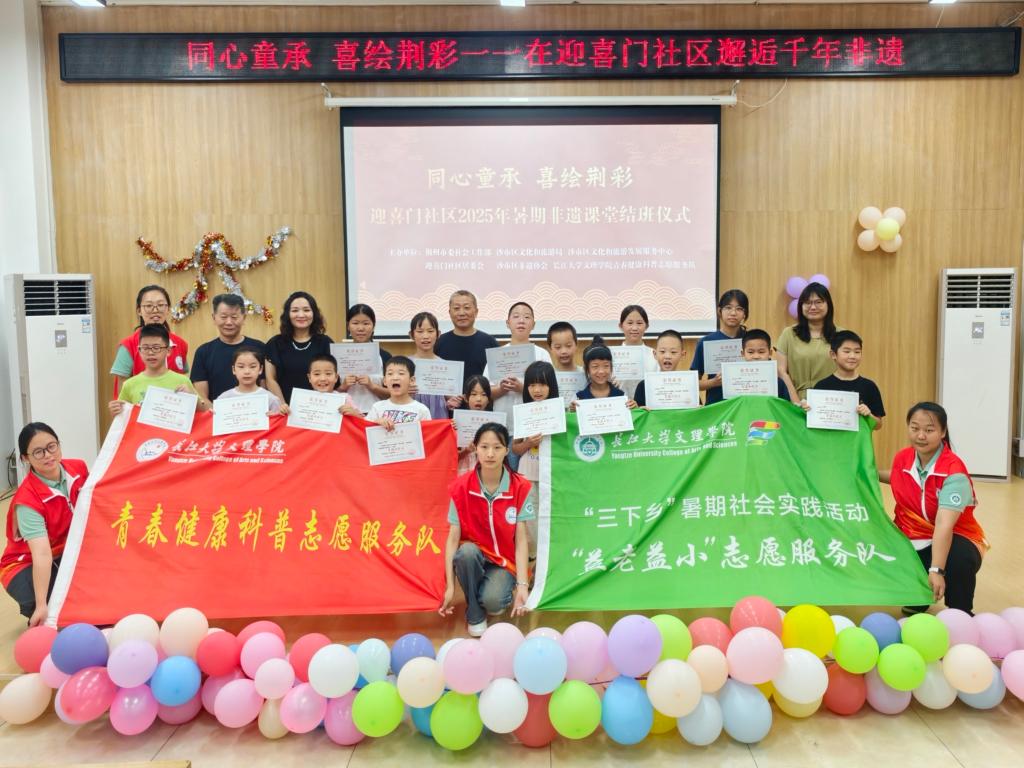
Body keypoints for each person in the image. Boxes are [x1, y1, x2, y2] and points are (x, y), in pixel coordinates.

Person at [879, 402, 987, 615]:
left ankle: (961, 610)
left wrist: (936, 570)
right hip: (913, 533)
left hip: (956, 534)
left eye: (929, 430)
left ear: (943, 432)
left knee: (959, 558)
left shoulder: (954, 472)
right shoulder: (903, 457)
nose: (920, 436)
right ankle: (918, 596)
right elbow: (900, 476)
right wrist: (869, 473)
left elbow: (944, 525)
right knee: (883, 549)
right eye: (915, 428)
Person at [439, 422, 532, 636]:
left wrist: (522, 586)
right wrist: (450, 587)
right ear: (475, 448)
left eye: (497, 447)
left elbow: (521, 541)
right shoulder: (460, 487)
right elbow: (452, 540)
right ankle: (474, 611)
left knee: (493, 602)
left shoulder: (520, 487)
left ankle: (489, 593)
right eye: (484, 447)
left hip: (504, 562)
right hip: (474, 556)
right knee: (466, 553)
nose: (490, 454)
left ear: (506, 450)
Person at [1, 423, 89, 626]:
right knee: (55, 606)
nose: (48, 455)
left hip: (65, 551)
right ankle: (36, 606)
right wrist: (41, 605)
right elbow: (41, 554)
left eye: (51, 446)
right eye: (38, 452)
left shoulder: (78, 468)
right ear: (25, 458)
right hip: (26, 562)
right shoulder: (27, 500)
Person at [511, 361, 559, 559]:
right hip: (527, 473)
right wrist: (528, 443)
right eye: (532, 385)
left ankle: (550, 556)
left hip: (552, 472)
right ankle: (535, 556)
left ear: (551, 386)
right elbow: (515, 448)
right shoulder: (523, 411)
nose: (537, 390)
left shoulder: (559, 410)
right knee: (531, 516)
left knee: (552, 514)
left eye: (542, 384)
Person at [108, 324, 209, 415]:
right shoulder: (129, 384)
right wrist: (115, 410)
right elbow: (122, 417)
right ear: (139, 350)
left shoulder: (182, 381)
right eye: (145, 348)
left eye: (156, 348)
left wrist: (192, 397)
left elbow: (204, 411)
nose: (150, 353)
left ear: (168, 351)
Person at [484, 302, 554, 428]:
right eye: (516, 316)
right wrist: (501, 389)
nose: (521, 321)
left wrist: (523, 388)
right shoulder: (496, 355)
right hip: (503, 424)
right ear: (508, 323)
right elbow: (485, 391)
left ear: (533, 324)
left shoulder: (542, 354)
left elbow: (552, 391)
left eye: (527, 317)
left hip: (534, 423)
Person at [111, 285, 189, 397]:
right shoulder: (128, 345)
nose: (155, 310)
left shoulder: (181, 344)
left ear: (168, 309)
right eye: (149, 306)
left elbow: (183, 381)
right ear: (139, 311)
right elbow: (122, 393)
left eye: (160, 305)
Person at [802, 330, 885, 431]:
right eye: (846, 351)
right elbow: (812, 422)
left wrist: (869, 415)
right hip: (829, 440)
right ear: (833, 354)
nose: (852, 356)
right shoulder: (822, 386)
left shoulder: (869, 386)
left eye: (857, 352)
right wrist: (806, 409)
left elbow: (878, 425)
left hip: (857, 441)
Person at [190, 294, 266, 402]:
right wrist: (217, 412)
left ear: (244, 318)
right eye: (223, 317)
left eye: (234, 317)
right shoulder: (203, 352)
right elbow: (202, 397)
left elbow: (265, 389)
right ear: (214, 318)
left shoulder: (260, 348)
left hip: (254, 410)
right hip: (215, 412)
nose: (229, 322)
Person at [776, 282, 843, 401]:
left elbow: (847, 370)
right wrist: (795, 401)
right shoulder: (788, 334)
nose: (813, 307)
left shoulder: (841, 335)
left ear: (828, 304)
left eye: (818, 302)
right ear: (801, 306)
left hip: (832, 401)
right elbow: (781, 371)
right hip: (796, 400)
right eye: (807, 302)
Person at [265, 291, 334, 405]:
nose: (301, 315)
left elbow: (332, 378)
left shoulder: (325, 342)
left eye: (306, 310)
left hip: (318, 407)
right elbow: (270, 379)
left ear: (314, 313)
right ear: (288, 314)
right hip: (284, 408)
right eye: (295, 310)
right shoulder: (275, 343)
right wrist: (283, 405)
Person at [435, 290, 499, 396]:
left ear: (476, 312)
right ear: (450, 313)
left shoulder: (490, 343)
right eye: (456, 308)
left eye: (467, 307)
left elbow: (497, 381)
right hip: (447, 405)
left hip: (482, 405)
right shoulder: (439, 342)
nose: (461, 313)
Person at [692, 289, 748, 405]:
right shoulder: (706, 342)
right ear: (719, 311)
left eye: (739, 309)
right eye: (728, 308)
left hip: (745, 404)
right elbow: (693, 383)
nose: (733, 313)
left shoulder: (751, 340)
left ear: (745, 313)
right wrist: (714, 382)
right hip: (716, 406)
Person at [338, 304, 391, 415]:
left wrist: (372, 386)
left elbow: (393, 393)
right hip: (345, 414)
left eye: (366, 323)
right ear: (348, 326)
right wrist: (343, 387)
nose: (361, 328)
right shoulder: (338, 355)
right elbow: (327, 391)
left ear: (373, 326)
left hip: (377, 415)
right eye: (355, 323)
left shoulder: (384, 356)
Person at [365, 356, 432, 429]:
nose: (395, 378)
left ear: (412, 380)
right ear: (384, 381)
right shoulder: (377, 407)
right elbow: (365, 429)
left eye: (401, 373)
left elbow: (428, 433)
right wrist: (376, 422)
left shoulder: (422, 410)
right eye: (390, 374)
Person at [573, 337, 637, 408]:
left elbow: (629, 412)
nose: (601, 371)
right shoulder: (579, 398)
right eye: (595, 366)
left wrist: (634, 408)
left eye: (606, 366)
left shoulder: (621, 395)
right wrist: (572, 410)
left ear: (611, 367)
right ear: (587, 369)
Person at [408, 311, 450, 419]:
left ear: (438, 334)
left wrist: (453, 400)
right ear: (411, 335)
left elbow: (449, 396)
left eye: (430, 331)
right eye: (420, 331)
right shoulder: (405, 365)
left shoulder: (445, 365)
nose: (425, 336)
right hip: (412, 416)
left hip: (438, 416)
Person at [215, 347, 282, 414]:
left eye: (252, 367)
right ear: (233, 369)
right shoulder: (223, 399)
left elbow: (278, 419)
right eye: (241, 367)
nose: (247, 371)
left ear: (260, 369)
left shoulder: (271, 399)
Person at [615, 304, 659, 400]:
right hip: (621, 405)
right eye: (630, 323)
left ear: (646, 326)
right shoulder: (611, 356)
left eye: (639, 323)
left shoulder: (654, 355)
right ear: (621, 326)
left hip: (647, 406)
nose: (634, 328)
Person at [634, 329, 686, 408]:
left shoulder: (688, 383)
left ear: (682, 355)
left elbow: (698, 410)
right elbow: (637, 413)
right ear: (655, 354)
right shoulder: (644, 385)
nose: (667, 356)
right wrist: (638, 409)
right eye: (662, 351)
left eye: (673, 352)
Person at [455, 374, 494, 473]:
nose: (479, 399)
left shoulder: (495, 424)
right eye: (474, 394)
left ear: (489, 398)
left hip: (486, 471)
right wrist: (466, 451)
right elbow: (450, 458)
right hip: (463, 471)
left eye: (484, 394)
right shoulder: (456, 423)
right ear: (465, 398)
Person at [739, 329, 791, 400]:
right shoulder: (736, 382)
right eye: (750, 352)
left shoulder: (778, 383)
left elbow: (785, 404)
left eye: (761, 352)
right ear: (743, 353)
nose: (756, 356)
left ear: (770, 353)